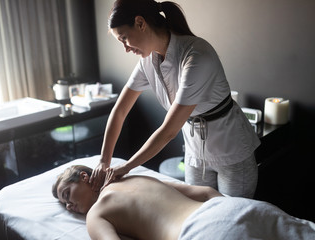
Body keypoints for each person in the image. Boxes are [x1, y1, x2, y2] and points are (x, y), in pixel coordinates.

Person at [89, 0, 261, 198]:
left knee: (232, 220)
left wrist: (127, 167)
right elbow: (120, 111)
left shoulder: (196, 55)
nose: (126, 48)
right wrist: (104, 160)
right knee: (196, 215)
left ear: (140, 23)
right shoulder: (148, 61)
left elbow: (169, 131)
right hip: (195, 152)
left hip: (231, 151)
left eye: (125, 38)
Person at [53, 165, 315, 240]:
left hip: (203, 232)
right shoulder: (135, 176)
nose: (68, 206)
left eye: (67, 195)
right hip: (236, 209)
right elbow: (203, 191)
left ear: (85, 177)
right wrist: (227, 211)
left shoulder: (96, 214)